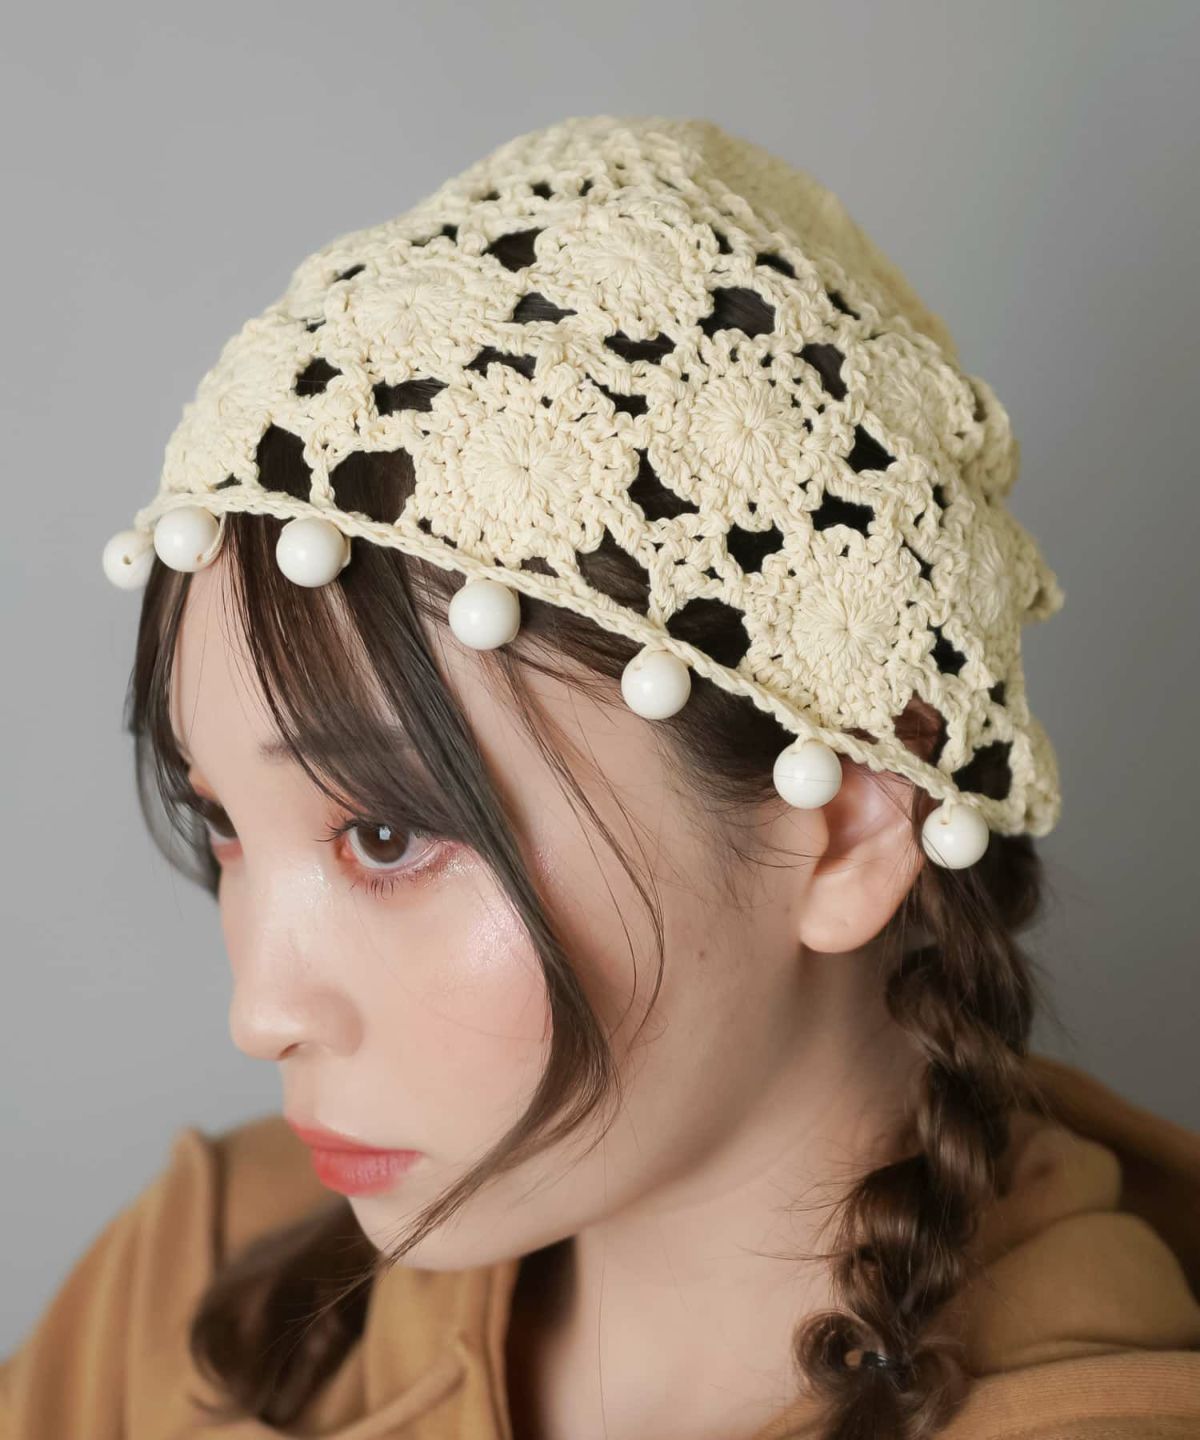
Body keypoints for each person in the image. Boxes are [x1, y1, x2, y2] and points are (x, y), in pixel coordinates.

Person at [5, 114, 1197, 1440]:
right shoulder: (188, 1290)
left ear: (850, 821)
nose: (261, 1011)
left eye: (385, 834)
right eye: (224, 823)